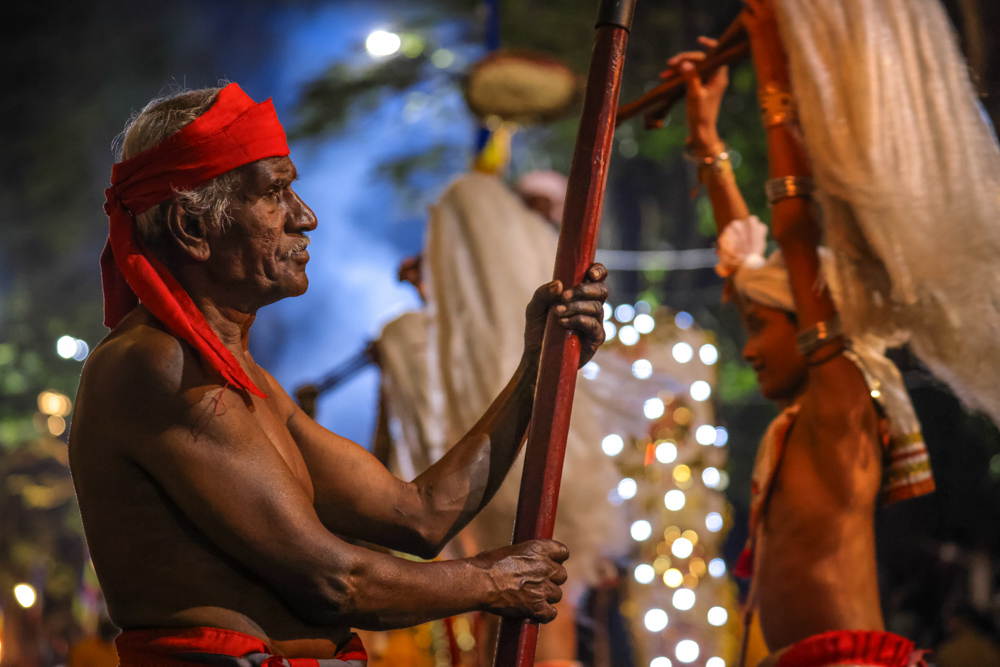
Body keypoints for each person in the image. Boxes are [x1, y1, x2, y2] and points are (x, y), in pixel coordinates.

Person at [68, 83, 610, 666]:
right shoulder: (155, 364)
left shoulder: (249, 382)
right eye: (275, 193)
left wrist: (538, 367)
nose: (306, 217)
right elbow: (332, 581)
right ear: (191, 229)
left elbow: (420, 514)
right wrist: (491, 582)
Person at [666, 1, 934, 665]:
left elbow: (793, 232)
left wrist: (771, 56)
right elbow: (746, 271)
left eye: (759, 328)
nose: (749, 347)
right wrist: (706, 137)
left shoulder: (843, 396)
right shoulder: (804, 417)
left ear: (811, 321)